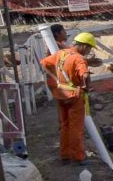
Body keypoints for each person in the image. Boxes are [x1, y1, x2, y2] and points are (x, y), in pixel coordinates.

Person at [42, 31, 100, 165]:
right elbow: (85, 76)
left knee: (64, 125)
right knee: (76, 127)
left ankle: (65, 155)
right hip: (74, 95)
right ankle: (78, 157)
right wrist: (86, 87)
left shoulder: (61, 53)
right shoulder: (79, 59)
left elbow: (44, 63)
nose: (89, 51)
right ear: (84, 46)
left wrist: (56, 79)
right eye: (89, 48)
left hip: (61, 93)